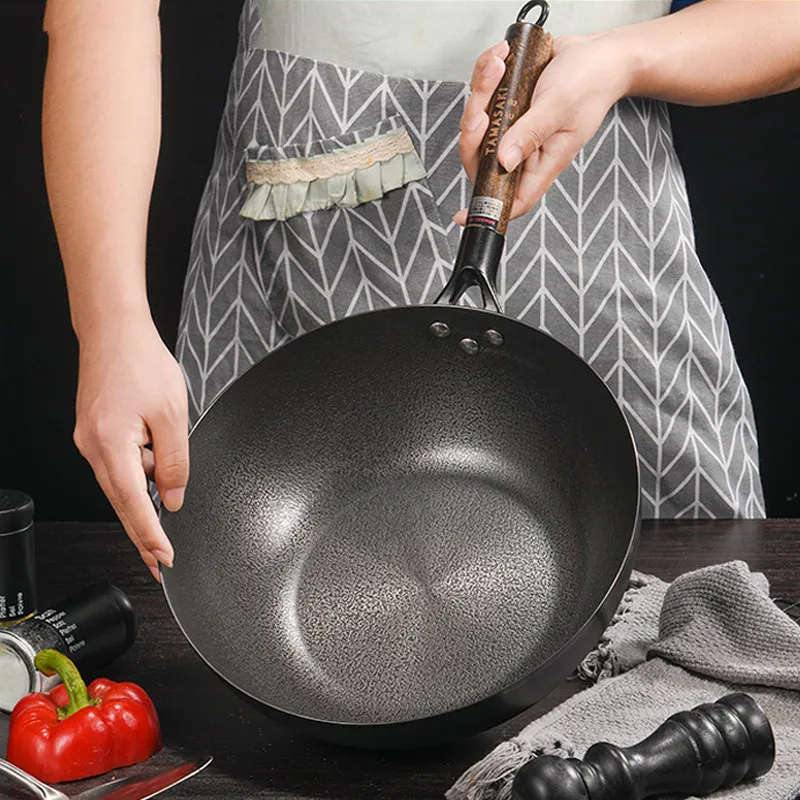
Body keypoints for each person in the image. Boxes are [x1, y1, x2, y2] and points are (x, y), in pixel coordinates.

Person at [42, 0, 800, 581]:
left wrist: (625, 56)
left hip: (600, 225)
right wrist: (110, 326)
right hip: (308, 239)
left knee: (695, 641)